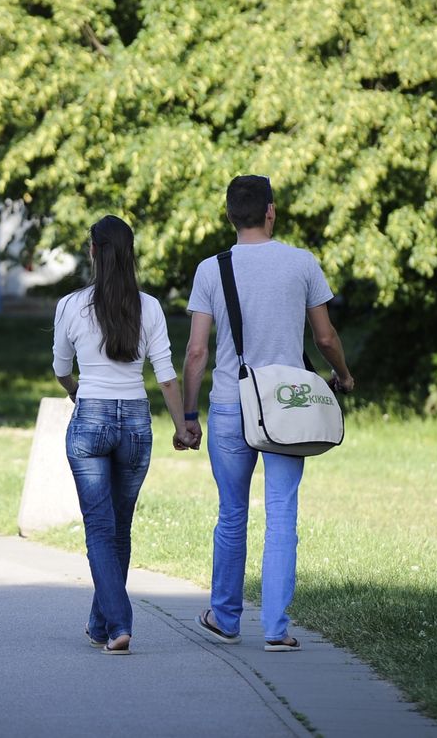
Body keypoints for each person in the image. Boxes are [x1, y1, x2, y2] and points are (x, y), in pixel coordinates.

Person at [178, 175, 355, 652]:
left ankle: (226, 617)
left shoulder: (211, 269)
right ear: (271, 212)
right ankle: (277, 629)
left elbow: (197, 352)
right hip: (287, 405)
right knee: (281, 514)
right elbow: (324, 338)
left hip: (231, 405)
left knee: (232, 513)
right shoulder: (302, 263)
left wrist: (189, 414)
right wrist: (343, 375)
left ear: (230, 215)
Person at [53, 215, 196, 655]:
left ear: (93, 251)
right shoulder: (149, 307)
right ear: (130, 253)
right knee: (119, 527)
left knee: (100, 527)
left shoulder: (71, 305)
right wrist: (183, 424)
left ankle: (116, 625)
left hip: (90, 419)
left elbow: (61, 370)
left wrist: (78, 395)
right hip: (136, 422)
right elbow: (166, 377)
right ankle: (103, 625)